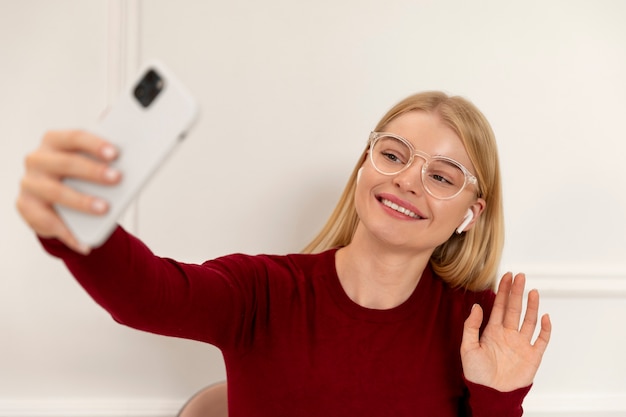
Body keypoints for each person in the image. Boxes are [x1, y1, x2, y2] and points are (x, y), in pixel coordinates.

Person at [17, 91, 551, 416]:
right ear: (365, 168)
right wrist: (76, 223)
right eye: (392, 155)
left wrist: (500, 399)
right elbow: (149, 295)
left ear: (469, 214)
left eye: (441, 175)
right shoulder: (265, 293)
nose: (408, 179)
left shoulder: (477, 324)